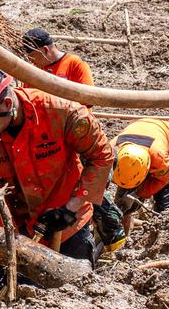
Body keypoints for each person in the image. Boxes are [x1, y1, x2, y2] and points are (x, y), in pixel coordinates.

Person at [0, 61, 113, 265]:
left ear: (7, 105)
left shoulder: (60, 112)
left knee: (73, 285)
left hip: (68, 224)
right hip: (19, 229)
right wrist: (3, 244)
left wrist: (70, 209)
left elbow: (102, 155)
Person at [22, 26, 128, 253]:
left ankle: (113, 238)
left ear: (46, 49)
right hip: (46, 141)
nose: (31, 61)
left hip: (77, 136)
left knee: (89, 192)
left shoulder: (73, 65)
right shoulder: (31, 72)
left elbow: (86, 100)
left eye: (32, 56)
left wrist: (57, 112)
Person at [110, 118, 169, 220]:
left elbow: (163, 179)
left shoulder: (160, 158)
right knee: (122, 204)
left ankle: (162, 227)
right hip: (143, 128)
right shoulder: (111, 151)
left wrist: (138, 193)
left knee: (165, 203)